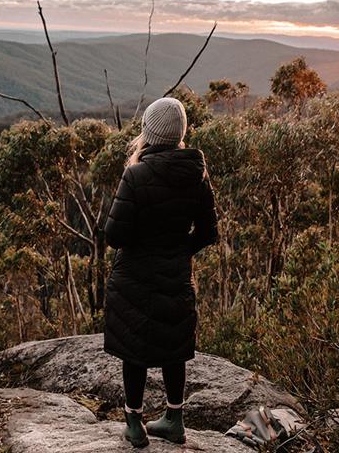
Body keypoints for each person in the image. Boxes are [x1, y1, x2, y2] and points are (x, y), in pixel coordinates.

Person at [103, 96, 219, 448]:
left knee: (133, 350)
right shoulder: (196, 174)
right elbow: (209, 232)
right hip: (176, 275)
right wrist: (178, 252)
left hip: (134, 277)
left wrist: (144, 246)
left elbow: (115, 236)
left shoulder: (136, 175)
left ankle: (134, 424)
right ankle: (174, 420)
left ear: (148, 134)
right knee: (174, 347)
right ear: (180, 134)